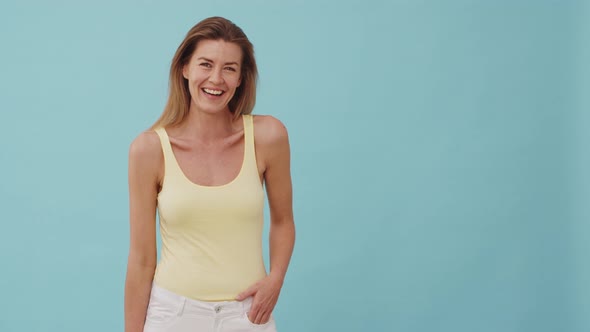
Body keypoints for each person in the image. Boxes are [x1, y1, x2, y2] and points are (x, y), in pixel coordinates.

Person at [124, 16, 295, 332]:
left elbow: (283, 220)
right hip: (172, 315)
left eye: (229, 68)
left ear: (241, 78)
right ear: (185, 68)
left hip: (248, 315)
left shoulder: (268, 136)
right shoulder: (149, 150)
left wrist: (276, 278)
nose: (216, 79)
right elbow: (141, 260)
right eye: (206, 64)